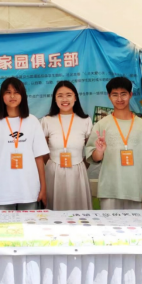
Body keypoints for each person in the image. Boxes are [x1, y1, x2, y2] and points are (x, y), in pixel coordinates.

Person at [85, 77, 142, 210]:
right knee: (110, 224)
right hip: (109, 191)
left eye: (123, 94)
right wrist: (99, 151)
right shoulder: (101, 125)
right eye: (115, 95)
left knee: (137, 224)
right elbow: (95, 159)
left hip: (137, 191)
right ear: (109, 96)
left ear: (130, 95)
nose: (119, 99)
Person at [0, 77, 49, 210]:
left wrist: (43, 188)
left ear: (23, 95)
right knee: (1, 225)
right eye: (8, 92)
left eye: (16, 92)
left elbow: (39, 158)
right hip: (1, 193)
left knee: (29, 224)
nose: (12, 96)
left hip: (29, 191)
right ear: (2, 96)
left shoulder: (32, 121)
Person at [41, 81, 93, 210]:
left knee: (79, 212)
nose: (64, 99)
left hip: (78, 172)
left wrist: (80, 165)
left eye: (69, 95)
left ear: (75, 98)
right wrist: (53, 164)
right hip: (53, 173)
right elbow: (42, 151)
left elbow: (91, 150)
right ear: (55, 99)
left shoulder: (85, 120)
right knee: (54, 212)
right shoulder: (47, 120)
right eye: (60, 96)